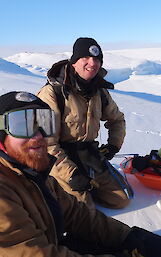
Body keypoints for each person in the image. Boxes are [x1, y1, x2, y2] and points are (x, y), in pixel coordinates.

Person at [0, 91, 161, 257]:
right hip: (48, 240)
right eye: (22, 125)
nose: (38, 135)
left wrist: (127, 238)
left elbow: (80, 217)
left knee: (131, 239)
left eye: (43, 124)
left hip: (85, 159)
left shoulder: (34, 175)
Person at [37, 37, 129, 210]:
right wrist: (70, 174)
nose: (92, 63)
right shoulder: (52, 93)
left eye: (96, 59)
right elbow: (45, 143)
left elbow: (117, 119)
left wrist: (112, 146)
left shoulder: (99, 91)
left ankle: (84, 186)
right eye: (85, 58)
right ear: (74, 62)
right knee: (83, 209)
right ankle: (54, 187)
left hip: (88, 153)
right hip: (60, 157)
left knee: (121, 199)